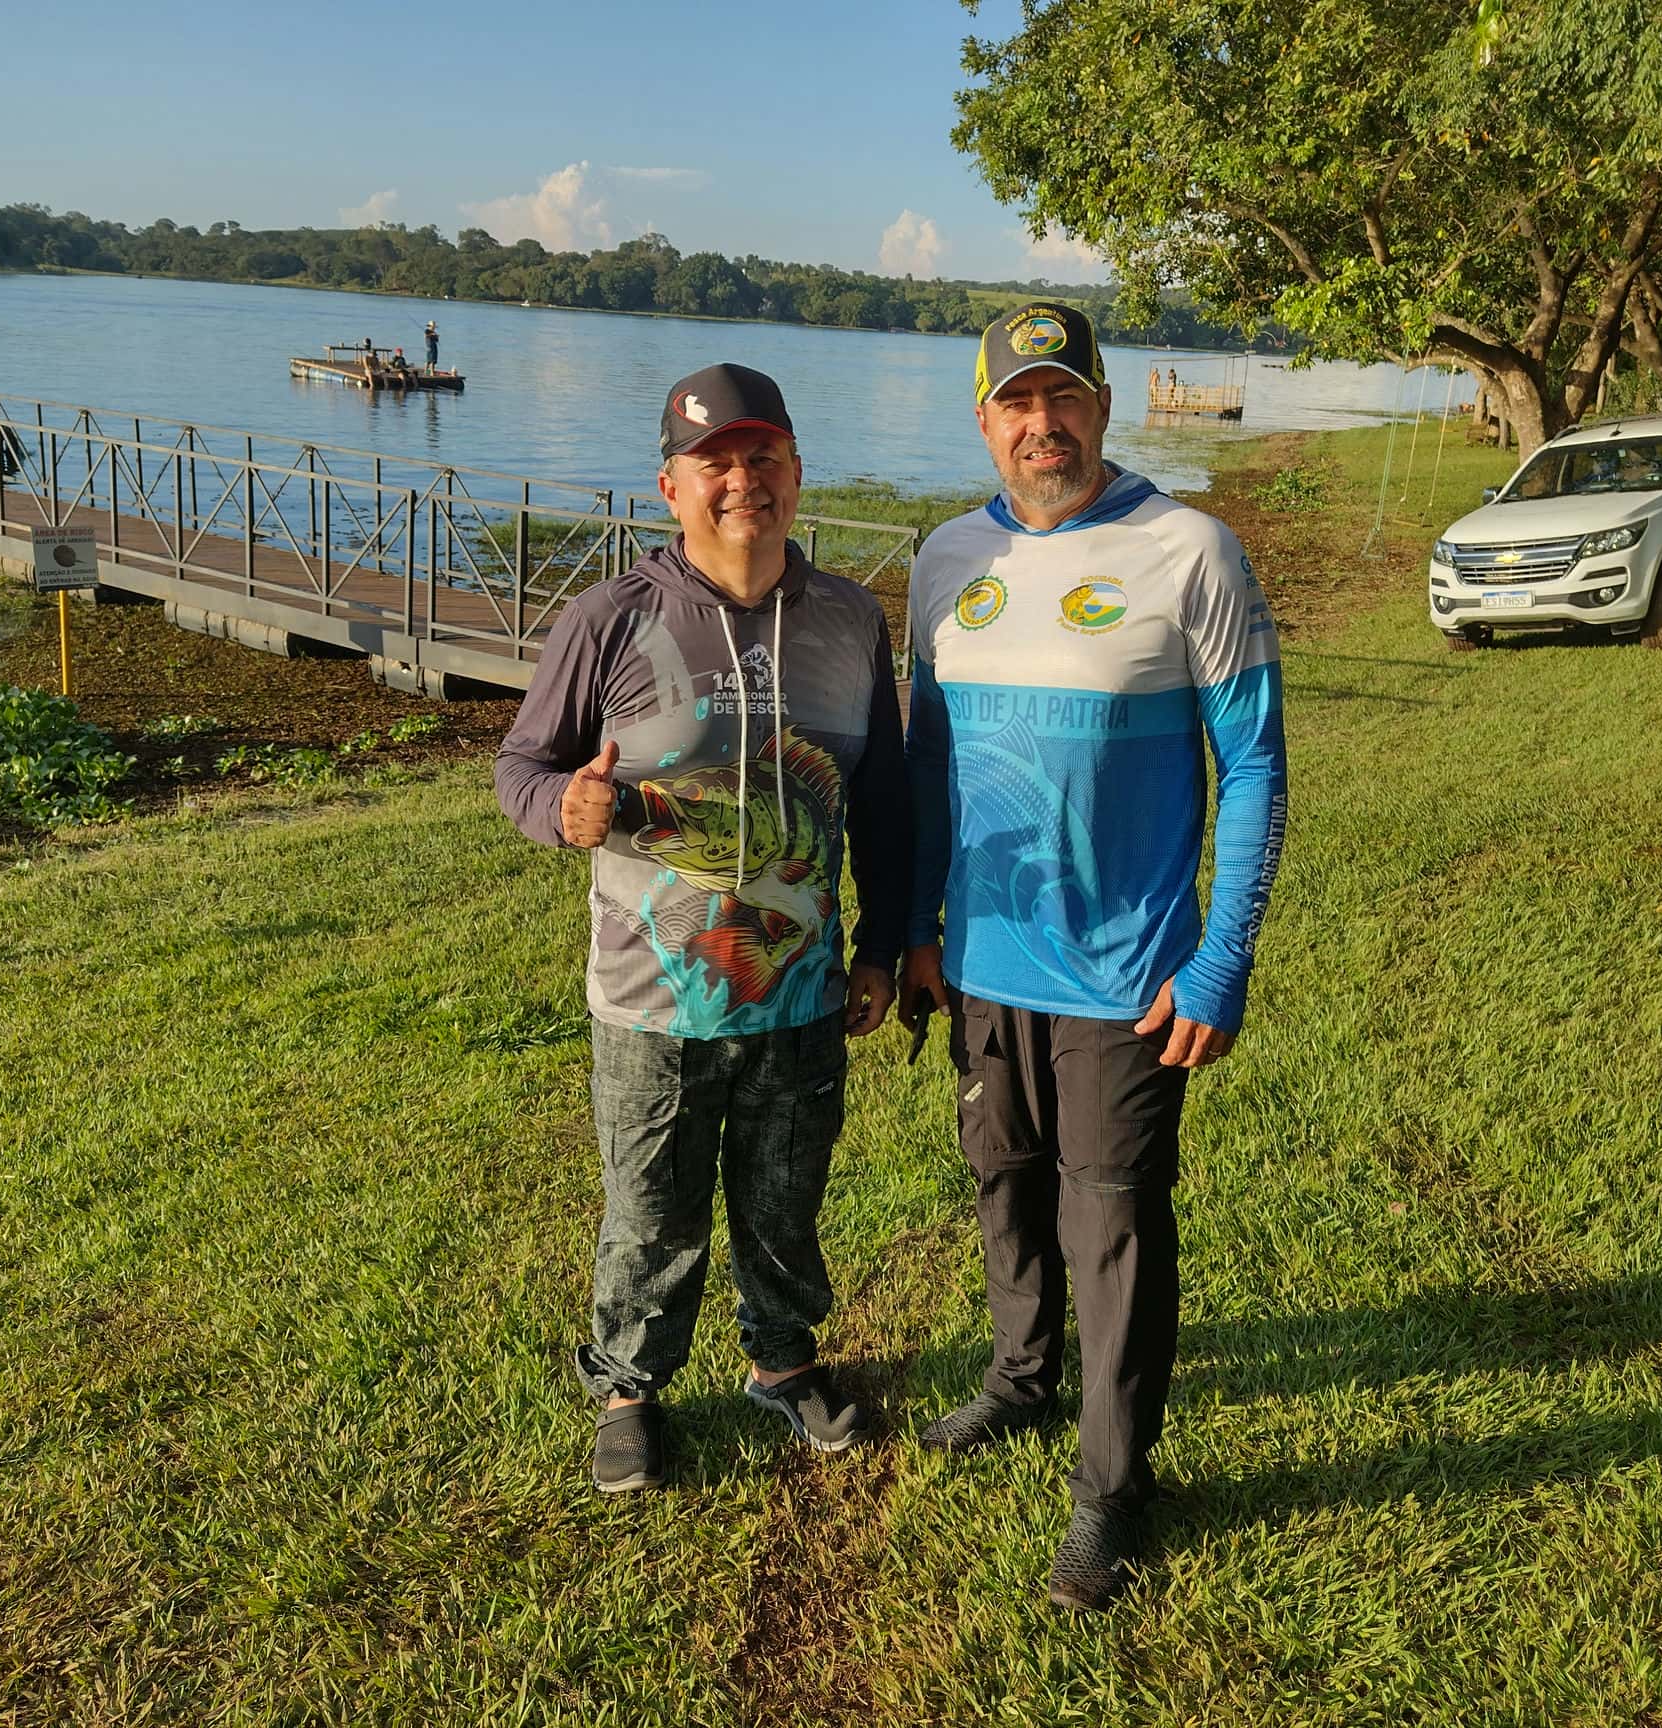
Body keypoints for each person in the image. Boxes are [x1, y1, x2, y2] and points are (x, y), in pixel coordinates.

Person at [899, 302, 1288, 1611]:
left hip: (1126, 972)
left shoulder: (1192, 551)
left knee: (1109, 1220)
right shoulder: (946, 558)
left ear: (1104, 407)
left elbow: (1253, 763)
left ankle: (1112, 1491)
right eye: (1017, 402)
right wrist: (915, 928)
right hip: (981, 959)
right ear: (985, 422)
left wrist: (1222, 957)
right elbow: (929, 763)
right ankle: (1019, 1381)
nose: (1042, 423)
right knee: (1004, 1182)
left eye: (1063, 396)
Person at [494, 362, 911, 1494]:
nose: (741, 482)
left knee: (786, 1202)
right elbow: (522, 766)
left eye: (761, 457)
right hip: (651, 1001)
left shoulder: (849, 619)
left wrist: (882, 945)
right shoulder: (610, 618)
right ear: (669, 486)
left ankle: (782, 1363)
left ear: (796, 472)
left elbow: (880, 801)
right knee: (651, 1214)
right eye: (713, 463)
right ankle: (630, 1389)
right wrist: (563, 808)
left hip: (804, 993)